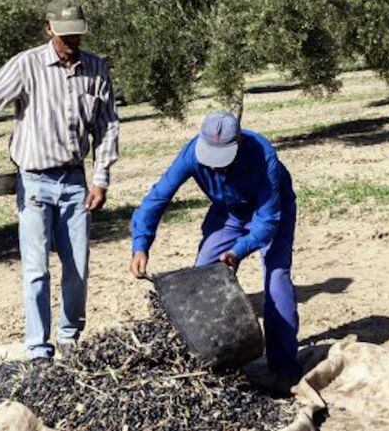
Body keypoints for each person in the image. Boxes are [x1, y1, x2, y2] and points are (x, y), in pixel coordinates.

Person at [0, 0, 120, 360]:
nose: (70, 42)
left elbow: (107, 125)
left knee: (77, 266)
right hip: (33, 180)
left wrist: (101, 177)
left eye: (76, 35)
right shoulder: (26, 65)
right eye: (63, 35)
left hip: (74, 181)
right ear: (48, 29)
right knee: (36, 270)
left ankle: (69, 337)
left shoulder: (96, 69)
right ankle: (38, 347)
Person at [129, 110, 301, 388]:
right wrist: (140, 245)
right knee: (201, 277)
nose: (216, 168)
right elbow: (157, 198)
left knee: (276, 278)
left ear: (239, 143)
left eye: (222, 162)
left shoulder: (263, 155)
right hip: (229, 213)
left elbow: (267, 221)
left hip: (271, 211)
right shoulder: (191, 155)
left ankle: (285, 366)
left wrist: (238, 251)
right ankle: (210, 355)